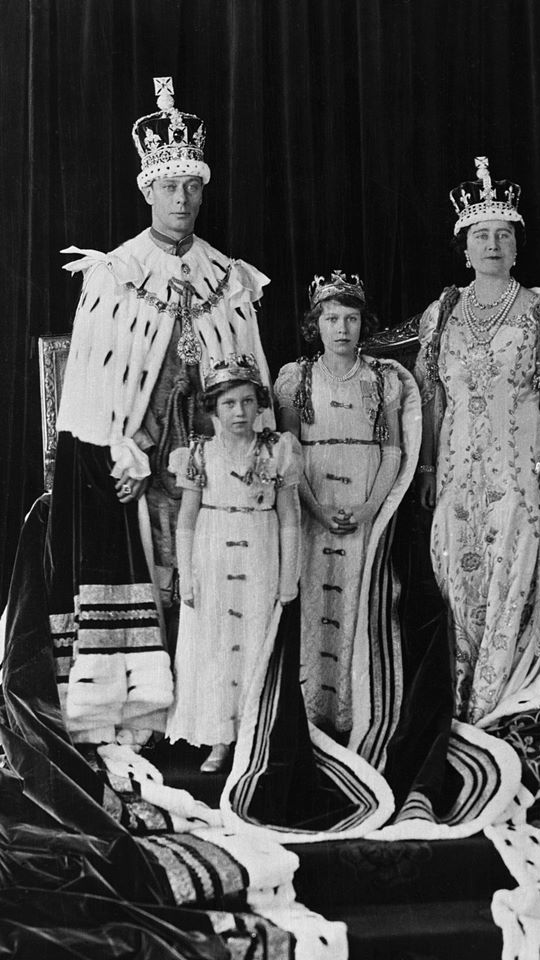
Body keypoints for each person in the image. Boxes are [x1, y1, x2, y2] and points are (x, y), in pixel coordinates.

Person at [47, 77, 272, 748]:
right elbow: (87, 391)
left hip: (212, 458)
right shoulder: (113, 275)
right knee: (155, 572)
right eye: (170, 188)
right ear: (147, 189)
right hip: (135, 463)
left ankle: (214, 715)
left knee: (209, 580)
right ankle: (142, 709)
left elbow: (250, 380)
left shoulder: (226, 276)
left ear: (203, 191)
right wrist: (119, 449)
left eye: (192, 188)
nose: (182, 200)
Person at [413, 156, 540, 727]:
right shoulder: (442, 312)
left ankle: (494, 695)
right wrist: (426, 471)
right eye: (480, 235)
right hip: (454, 471)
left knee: (510, 565)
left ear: (517, 247)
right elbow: (431, 399)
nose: (491, 244)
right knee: (452, 563)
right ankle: (457, 685)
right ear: (464, 247)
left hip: (520, 468)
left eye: (502, 235)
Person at [274, 271, 410, 740]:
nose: (342, 329)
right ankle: (313, 710)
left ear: (362, 323)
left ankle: (356, 712)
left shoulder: (382, 379)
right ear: (317, 324)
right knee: (315, 599)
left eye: (351, 318)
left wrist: (373, 505)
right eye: (331, 318)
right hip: (314, 506)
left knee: (359, 600)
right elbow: (289, 450)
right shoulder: (297, 377)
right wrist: (313, 507)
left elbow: (392, 449)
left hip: (363, 503)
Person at [165, 354, 300, 772]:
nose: (239, 412)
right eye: (228, 404)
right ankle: (219, 739)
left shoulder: (277, 450)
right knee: (215, 646)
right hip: (212, 552)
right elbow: (186, 522)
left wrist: (288, 577)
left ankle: (253, 734)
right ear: (213, 409)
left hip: (260, 553)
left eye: (246, 402)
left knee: (256, 642)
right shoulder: (199, 454)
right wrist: (186, 576)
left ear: (259, 405)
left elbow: (289, 518)